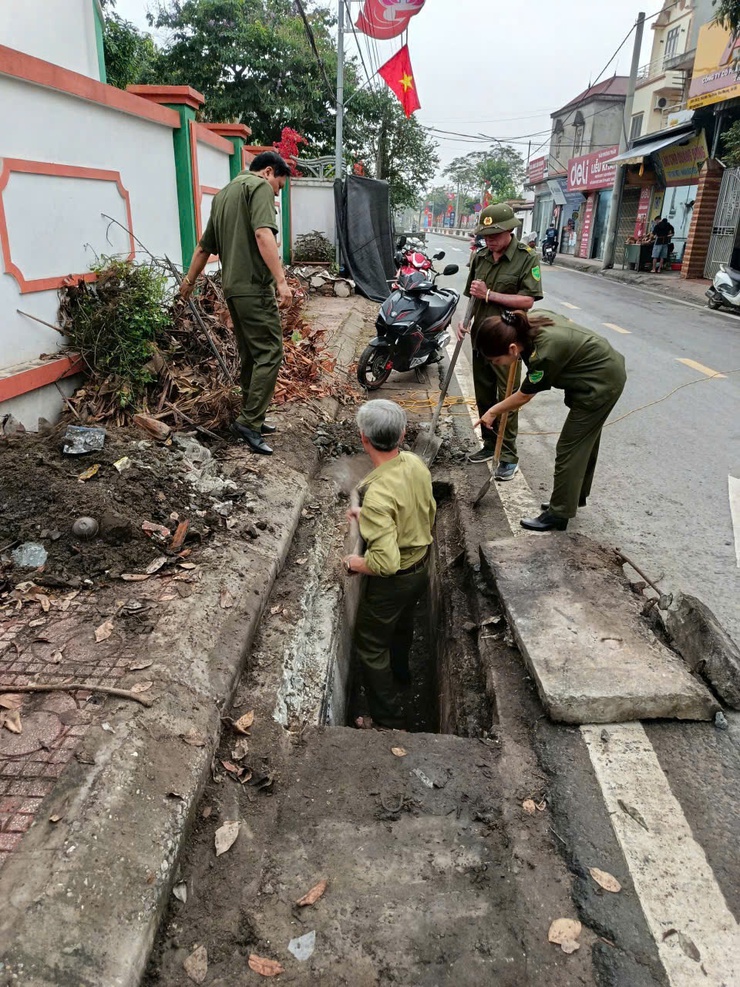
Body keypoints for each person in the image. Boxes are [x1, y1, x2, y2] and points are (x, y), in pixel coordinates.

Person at [179, 150, 292, 455]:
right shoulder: (259, 187)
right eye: (279, 186)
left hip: (232, 289)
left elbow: (203, 248)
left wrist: (187, 284)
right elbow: (262, 233)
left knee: (251, 355)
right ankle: (250, 421)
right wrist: (281, 281)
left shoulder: (223, 195)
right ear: (269, 172)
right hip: (255, 287)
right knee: (270, 352)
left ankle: (254, 413)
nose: (276, 192)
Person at [473, 309, 626, 532]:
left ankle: (559, 514)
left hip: (600, 383)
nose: (498, 365)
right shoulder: (525, 326)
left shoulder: (544, 355)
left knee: (570, 448)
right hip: (597, 371)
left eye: (498, 360)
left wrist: (493, 411)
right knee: (584, 442)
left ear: (512, 348)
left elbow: (524, 395)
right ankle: (572, 497)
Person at [344, 400, 436, 730]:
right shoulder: (414, 463)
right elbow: (423, 510)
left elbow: (384, 563)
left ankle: (387, 719)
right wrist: (369, 516)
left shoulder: (377, 494)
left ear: (363, 438)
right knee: (402, 626)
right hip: (419, 567)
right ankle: (402, 675)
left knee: (370, 645)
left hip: (394, 580)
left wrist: (355, 561)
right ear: (402, 433)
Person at [459, 203, 544, 479]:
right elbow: (473, 293)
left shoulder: (526, 258)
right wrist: (464, 322)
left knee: (506, 397)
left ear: (510, 230)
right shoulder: (480, 257)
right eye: (485, 235)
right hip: (480, 338)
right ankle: (488, 443)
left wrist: (490, 295)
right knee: (483, 394)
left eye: (494, 235)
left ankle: (507, 455)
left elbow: (528, 300)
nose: (489, 240)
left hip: (507, 341)